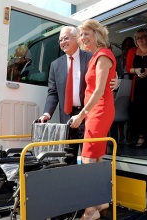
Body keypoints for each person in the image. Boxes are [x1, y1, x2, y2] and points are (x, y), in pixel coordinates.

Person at [38, 26, 119, 165]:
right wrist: (46, 113)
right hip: (68, 116)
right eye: (60, 40)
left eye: (66, 38)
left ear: (77, 39)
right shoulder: (55, 65)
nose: (62, 42)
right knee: (68, 157)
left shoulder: (92, 55)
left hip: (88, 113)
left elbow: (107, 77)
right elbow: (53, 93)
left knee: (90, 154)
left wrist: (116, 83)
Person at [70, 19, 116, 220]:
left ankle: (90, 210)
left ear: (97, 34)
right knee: (96, 157)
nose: (82, 38)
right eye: (80, 35)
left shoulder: (103, 55)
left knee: (88, 157)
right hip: (96, 110)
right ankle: (100, 202)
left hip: (99, 110)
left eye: (86, 33)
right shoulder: (95, 56)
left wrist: (81, 114)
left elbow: (99, 90)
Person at [126, 28, 147, 148]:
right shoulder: (132, 51)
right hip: (138, 86)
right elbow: (128, 68)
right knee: (138, 110)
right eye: (138, 38)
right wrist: (136, 71)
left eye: (143, 37)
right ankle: (142, 136)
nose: (140, 40)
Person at [115, 37, 135, 144]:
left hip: (133, 88)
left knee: (131, 113)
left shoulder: (135, 57)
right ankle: (120, 136)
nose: (128, 47)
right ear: (122, 47)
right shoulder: (117, 59)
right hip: (119, 88)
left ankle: (129, 137)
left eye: (130, 45)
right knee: (119, 111)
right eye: (126, 45)